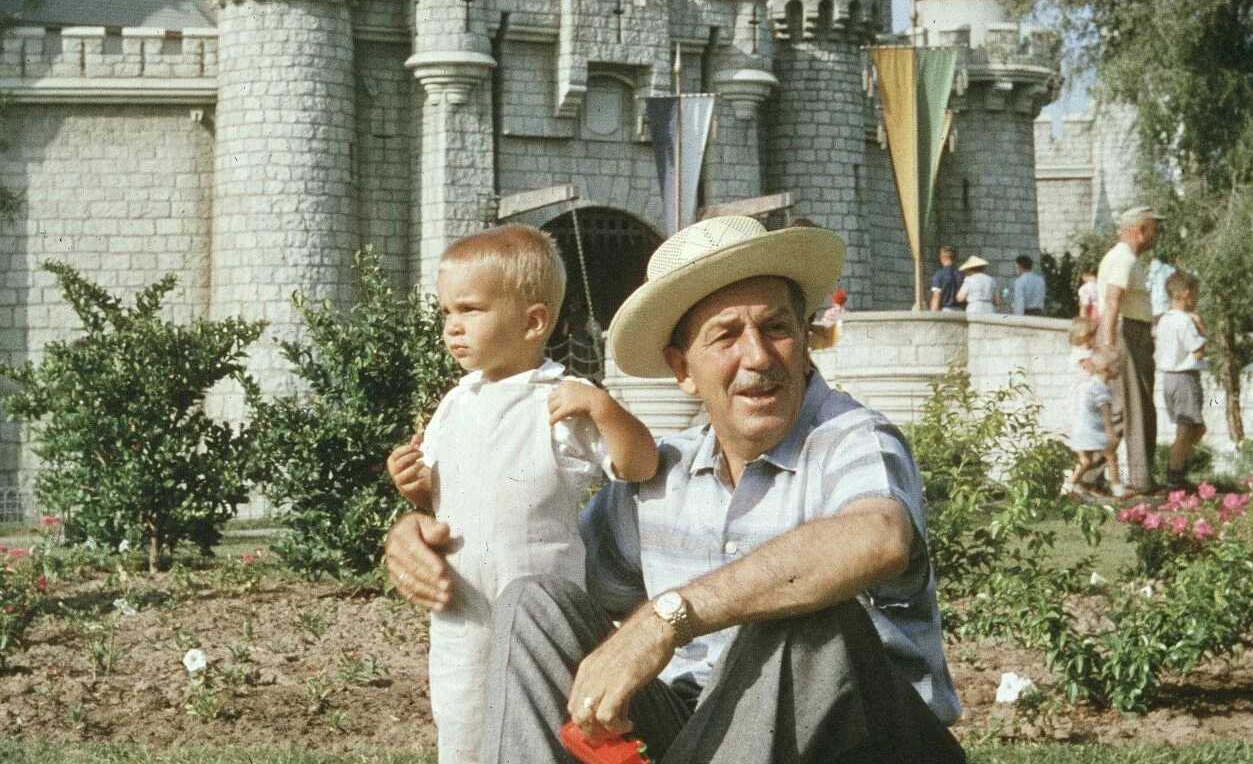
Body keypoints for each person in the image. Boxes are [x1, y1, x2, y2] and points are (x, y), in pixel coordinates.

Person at [388, 215, 965, 762]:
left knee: (811, 621)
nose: (757, 356)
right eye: (726, 336)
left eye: (775, 328)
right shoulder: (666, 474)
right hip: (702, 736)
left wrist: (668, 617)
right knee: (533, 602)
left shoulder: (852, 438)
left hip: (869, 744)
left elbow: (878, 539)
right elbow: (545, 561)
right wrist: (427, 537)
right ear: (682, 369)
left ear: (805, 343)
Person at [385, 225, 658, 763]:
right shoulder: (454, 404)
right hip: (461, 610)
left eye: (469, 310)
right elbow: (443, 503)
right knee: (462, 726)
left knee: (544, 727)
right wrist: (416, 486)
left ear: (534, 321)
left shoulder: (558, 401)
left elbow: (638, 464)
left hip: (541, 623)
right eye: (445, 313)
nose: (452, 327)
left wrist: (604, 409)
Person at [1097, 206, 1162, 492]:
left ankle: (1091, 478)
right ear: (1138, 229)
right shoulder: (1123, 259)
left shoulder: (1125, 258)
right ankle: (1140, 481)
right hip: (1126, 333)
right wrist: (1110, 344)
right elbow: (1113, 300)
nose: (1156, 235)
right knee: (1134, 407)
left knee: (1130, 407)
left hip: (1131, 331)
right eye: (1153, 228)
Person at [1153, 272, 1207, 491]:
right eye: (1196, 295)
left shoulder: (1164, 319)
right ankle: (1175, 475)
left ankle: (1180, 469)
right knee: (1186, 430)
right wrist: (1201, 327)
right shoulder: (1185, 320)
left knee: (1197, 428)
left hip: (1169, 378)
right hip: (1184, 377)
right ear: (1187, 294)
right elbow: (1199, 350)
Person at [1063, 348, 1122, 502]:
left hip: (1080, 430)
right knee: (1111, 455)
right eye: (1117, 365)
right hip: (1090, 431)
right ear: (1105, 369)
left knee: (1086, 461)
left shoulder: (1091, 384)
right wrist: (1111, 433)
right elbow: (1106, 414)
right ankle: (1118, 491)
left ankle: (1068, 487)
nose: (1119, 369)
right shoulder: (1101, 388)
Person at [929, 245, 964, 313]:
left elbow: (936, 297)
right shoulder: (962, 274)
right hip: (961, 311)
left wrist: (933, 315)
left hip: (946, 311)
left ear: (942, 257)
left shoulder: (939, 275)